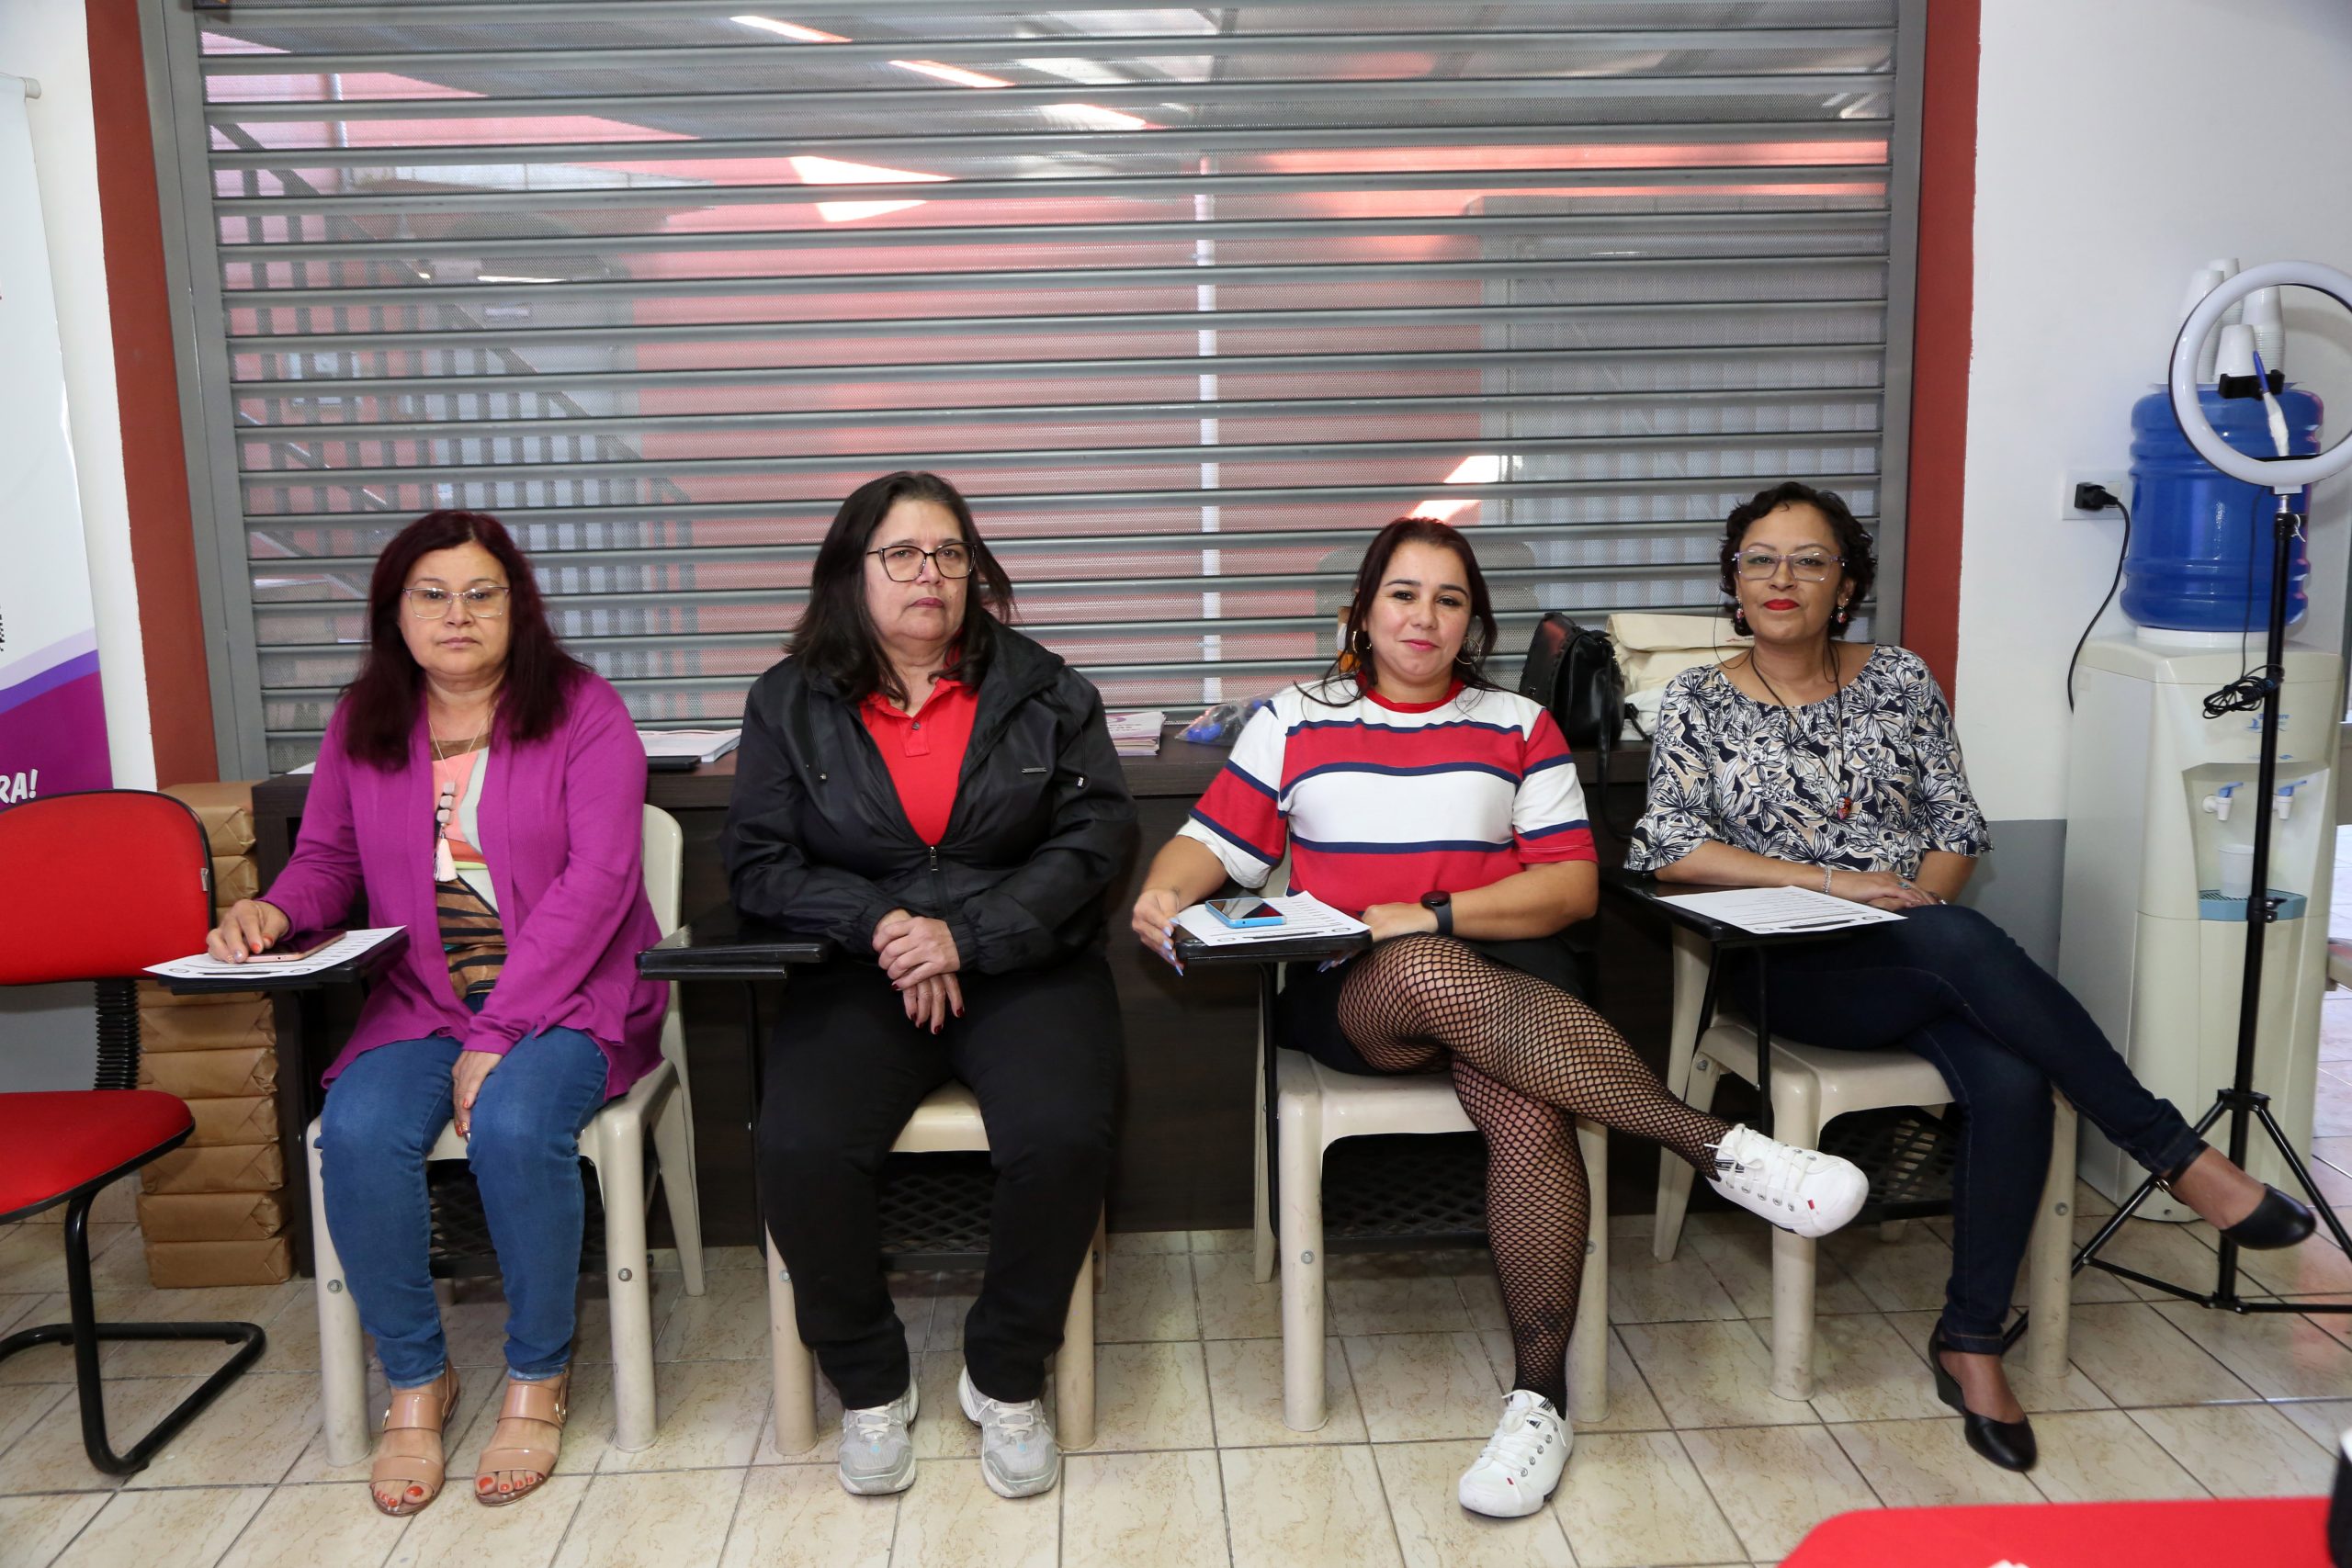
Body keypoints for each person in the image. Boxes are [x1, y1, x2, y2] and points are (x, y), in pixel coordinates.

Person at [1128, 515, 1870, 1520]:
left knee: (1524, 1103)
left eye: (1447, 599)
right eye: (1402, 593)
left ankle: (1539, 1400)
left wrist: (1432, 912)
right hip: (1357, 993)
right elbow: (1206, 842)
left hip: (1510, 982)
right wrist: (1164, 896)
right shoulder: (1294, 719)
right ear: (1363, 607)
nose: (1422, 617)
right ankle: (1722, 1147)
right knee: (1426, 968)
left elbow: (1568, 889)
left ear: (1473, 620)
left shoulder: (1518, 723)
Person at [1626, 479, 2318, 1473]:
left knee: (2007, 1072)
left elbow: (1954, 831)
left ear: (1846, 583)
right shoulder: (1697, 695)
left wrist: (1913, 905)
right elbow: (1672, 848)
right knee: (1955, 948)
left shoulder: (1900, 679)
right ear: (1733, 586)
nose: (1782, 580)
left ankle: (1972, 1339)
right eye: (1759, 561)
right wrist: (1840, 884)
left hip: (1926, 956)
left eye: (1808, 561)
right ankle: (2174, 1151)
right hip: (1791, 973)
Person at [207, 510, 667, 1516]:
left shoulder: (583, 710)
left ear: (518, 607)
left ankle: (539, 1375)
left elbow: (600, 883)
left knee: (511, 1124)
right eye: (432, 594)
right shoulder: (365, 723)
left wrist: (501, 1030)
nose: (457, 614)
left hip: (569, 1000)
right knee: (359, 1133)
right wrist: (273, 908)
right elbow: (329, 860)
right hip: (421, 1002)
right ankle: (416, 1380)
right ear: (396, 614)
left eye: (481, 593)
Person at [723, 470, 1134, 1502]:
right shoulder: (786, 700)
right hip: (863, 969)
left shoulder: (1047, 690)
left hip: (1022, 961)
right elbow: (760, 863)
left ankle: (1003, 1374)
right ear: (851, 574)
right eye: (901, 555)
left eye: (950, 555)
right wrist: (888, 927)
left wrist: (968, 935)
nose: (929, 576)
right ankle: (869, 1382)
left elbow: (1095, 841)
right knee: (799, 1143)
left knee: (1064, 1131)